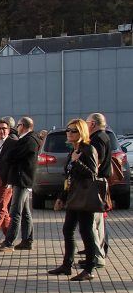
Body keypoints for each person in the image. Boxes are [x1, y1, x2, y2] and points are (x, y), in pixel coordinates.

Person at [48, 119, 100, 281]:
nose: (69, 133)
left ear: (81, 132)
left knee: (86, 231)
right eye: (68, 131)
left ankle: (89, 268)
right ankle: (66, 265)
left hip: (84, 197)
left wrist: (77, 162)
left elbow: (92, 174)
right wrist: (61, 197)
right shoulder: (74, 150)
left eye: (73, 131)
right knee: (68, 229)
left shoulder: (88, 149)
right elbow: (68, 177)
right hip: (73, 196)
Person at [0, 116, 40, 251]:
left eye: (18, 125)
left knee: (15, 212)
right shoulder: (25, 139)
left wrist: (10, 154)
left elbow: (11, 156)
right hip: (21, 178)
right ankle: (27, 240)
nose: (16, 128)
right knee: (26, 212)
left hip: (22, 179)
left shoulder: (29, 140)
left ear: (23, 126)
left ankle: (9, 242)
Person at [86, 113, 110, 268]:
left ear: (93, 123)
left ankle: (97, 256)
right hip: (100, 183)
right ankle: (97, 253)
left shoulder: (97, 139)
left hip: (96, 184)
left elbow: (97, 161)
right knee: (98, 221)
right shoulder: (105, 136)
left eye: (87, 122)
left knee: (93, 223)